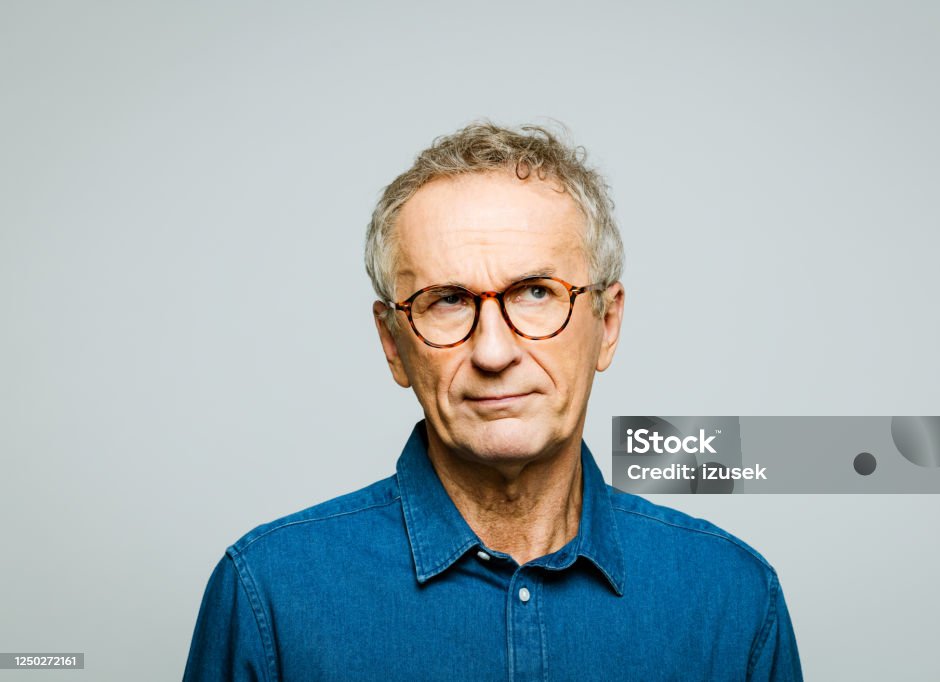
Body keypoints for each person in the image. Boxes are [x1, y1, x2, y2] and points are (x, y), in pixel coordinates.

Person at [183, 121, 803, 681]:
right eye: (447, 299)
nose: (493, 352)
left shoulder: (732, 598)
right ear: (392, 343)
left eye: (536, 291)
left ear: (607, 323)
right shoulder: (269, 593)